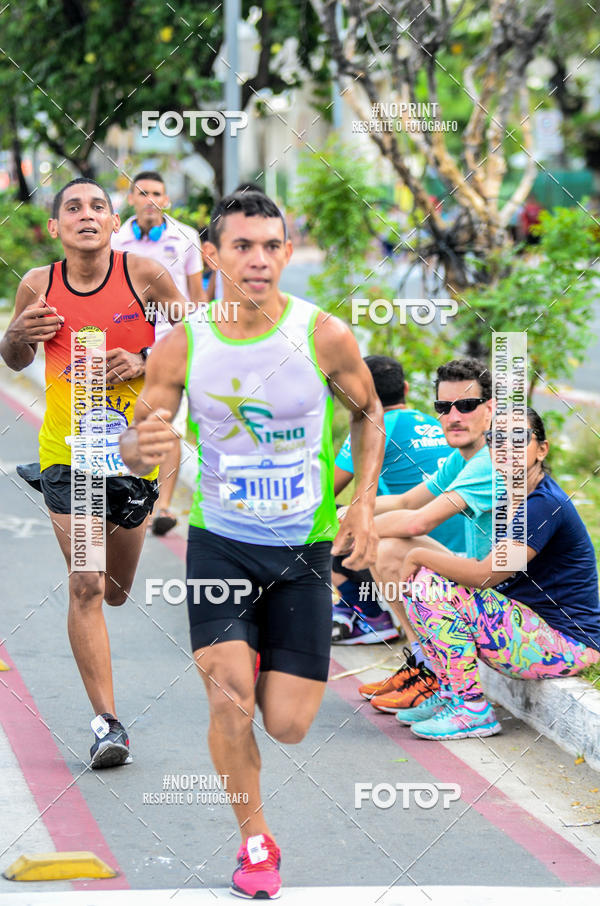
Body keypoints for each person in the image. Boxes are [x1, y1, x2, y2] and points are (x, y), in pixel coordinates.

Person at [120, 190, 384, 899]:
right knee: (229, 699)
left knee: (290, 727)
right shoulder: (184, 343)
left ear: (287, 252)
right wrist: (139, 448)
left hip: (303, 550)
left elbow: (369, 414)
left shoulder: (323, 334)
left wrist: (361, 501)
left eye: (272, 245)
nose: (259, 259)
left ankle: (259, 647)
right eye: (243, 246)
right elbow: (140, 440)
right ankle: (257, 845)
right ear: (212, 255)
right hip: (222, 545)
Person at [0, 177, 187, 768]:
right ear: (55, 227)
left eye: (98, 207)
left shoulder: (146, 276)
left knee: (115, 589)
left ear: (113, 222)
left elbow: (197, 342)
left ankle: (114, 571)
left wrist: (144, 357)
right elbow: (14, 357)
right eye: (72, 208)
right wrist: (14, 335)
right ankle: (108, 723)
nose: (86, 215)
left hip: (134, 456)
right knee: (85, 583)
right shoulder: (39, 283)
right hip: (69, 456)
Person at [392, 407, 600, 739]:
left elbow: (485, 576)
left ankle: (471, 709)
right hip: (530, 627)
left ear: (541, 449)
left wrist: (419, 555)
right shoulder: (512, 497)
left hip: (567, 643)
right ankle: (451, 694)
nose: (505, 447)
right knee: (428, 583)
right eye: (495, 439)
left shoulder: (543, 505)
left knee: (431, 585)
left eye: (519, 438)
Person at [360, 358, 495, 714]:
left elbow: (417, 523)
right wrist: (351, 510)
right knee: (387, 546)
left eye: (466, 406)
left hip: (507, 590)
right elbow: (407, 500)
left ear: (490, 409)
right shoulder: (463, 456)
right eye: (444, 407)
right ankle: (424, 663)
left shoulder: (491, 460)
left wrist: (352, 527)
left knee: (390, 550)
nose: (453, 416)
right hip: (483, 573)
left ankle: (435, 674)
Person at [332, 354, 466, 646]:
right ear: (405, 389)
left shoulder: (373, 426)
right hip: (462, 552)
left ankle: (367, 615)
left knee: (318, 515)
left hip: (412, 548)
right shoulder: (436, 423)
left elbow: (325, 491)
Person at [112, 171, 205, 535]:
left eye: (157, 193)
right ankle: (128, 495)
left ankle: (162, 506)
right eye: (142, 192)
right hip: (124, 344)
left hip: (172, 345)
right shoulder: (116, 240)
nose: (150, 198)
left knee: (169, 425)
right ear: (131, 199)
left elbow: (197, 299)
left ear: (166, 200)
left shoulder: (186, 237)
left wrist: (199, 338)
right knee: (128, 419)